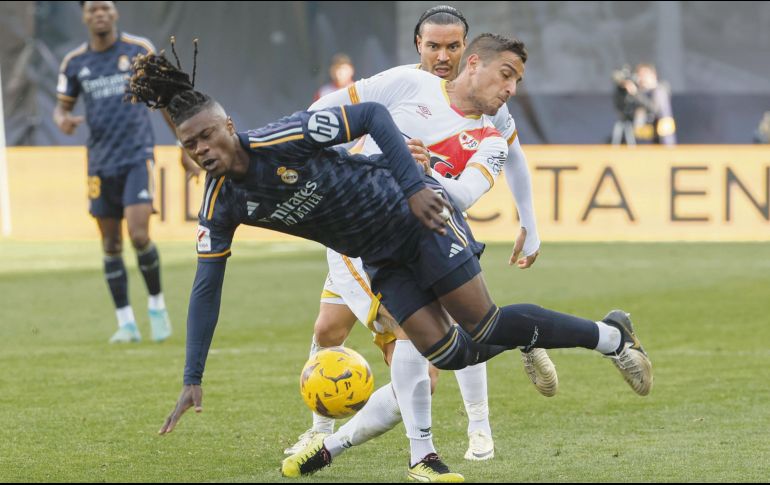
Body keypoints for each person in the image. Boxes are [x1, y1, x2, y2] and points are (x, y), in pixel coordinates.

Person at [134, 36, 653, 483]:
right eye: (189, 144)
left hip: (414, 218)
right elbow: (207, 288)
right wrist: (192, 376)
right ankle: (546, 336)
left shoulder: (284, 138)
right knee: (451, 354)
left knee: (485, 321)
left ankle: (611, 338)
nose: (201, 149)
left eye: (207, 135)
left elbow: (372, 116)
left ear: (227, 124)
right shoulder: (218, 205)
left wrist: (412, 187)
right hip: (377, 254)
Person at [284, 10, 554, 481]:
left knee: (409, 344)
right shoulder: (401, 83)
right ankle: (324, 433)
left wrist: (528, 223)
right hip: (364, 232)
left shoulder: (490, 100)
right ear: (418, 46)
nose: (443, 56)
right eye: (434, 47)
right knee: (338, 331)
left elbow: (511, 156)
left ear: (470, 54)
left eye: (453, 47)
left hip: (428, 231)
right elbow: (321, 118)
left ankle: (463, 434)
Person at [53, 1, 190, 343]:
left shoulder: (138, 51)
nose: (99, 13)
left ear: (115, 13)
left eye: (105, 7)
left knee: (140, 234)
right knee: (111, 243)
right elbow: (61, 109)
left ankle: (157, 308)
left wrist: (184, 145)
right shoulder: (74, 63)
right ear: (84, 17)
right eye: (92, 9)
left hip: (135, 156)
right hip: (100, 163)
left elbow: (165, 101)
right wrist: (63, 121)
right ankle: (126, 322)